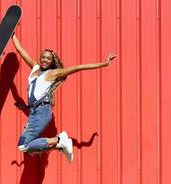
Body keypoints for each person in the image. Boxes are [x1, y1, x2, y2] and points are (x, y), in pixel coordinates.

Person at [11, 33, 116, 162]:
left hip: (42, 112)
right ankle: (60, 146)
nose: (44, 60)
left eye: (48, 59)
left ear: (52, 62)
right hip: (34, 113)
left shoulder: (53, 73)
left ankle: (60, 139)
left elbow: (78, 68)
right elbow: (20, 50)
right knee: (26, 148)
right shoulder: (35, 68)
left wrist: (104, 64)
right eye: (43, 57)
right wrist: (11, 33)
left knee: (23, 145)